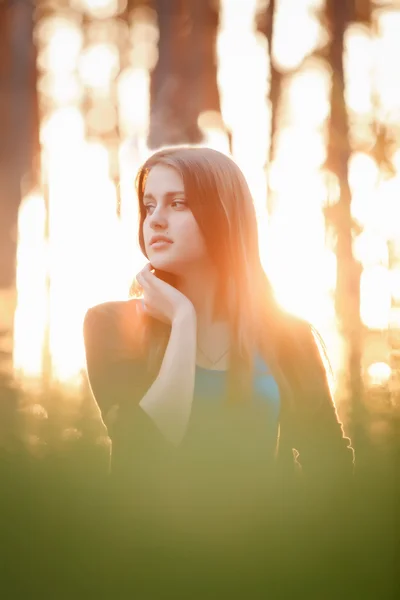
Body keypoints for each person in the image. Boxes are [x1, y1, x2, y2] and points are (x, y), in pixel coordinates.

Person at [83, 146, 355, 595]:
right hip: (147, 574)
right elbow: (143, 448)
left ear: (224, 215)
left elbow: (331, 467)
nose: (155, 219)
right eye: (149, 205)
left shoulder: (288, 338)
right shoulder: (111, 325)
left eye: (178, 203)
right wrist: (184, 322)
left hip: (267, 572)